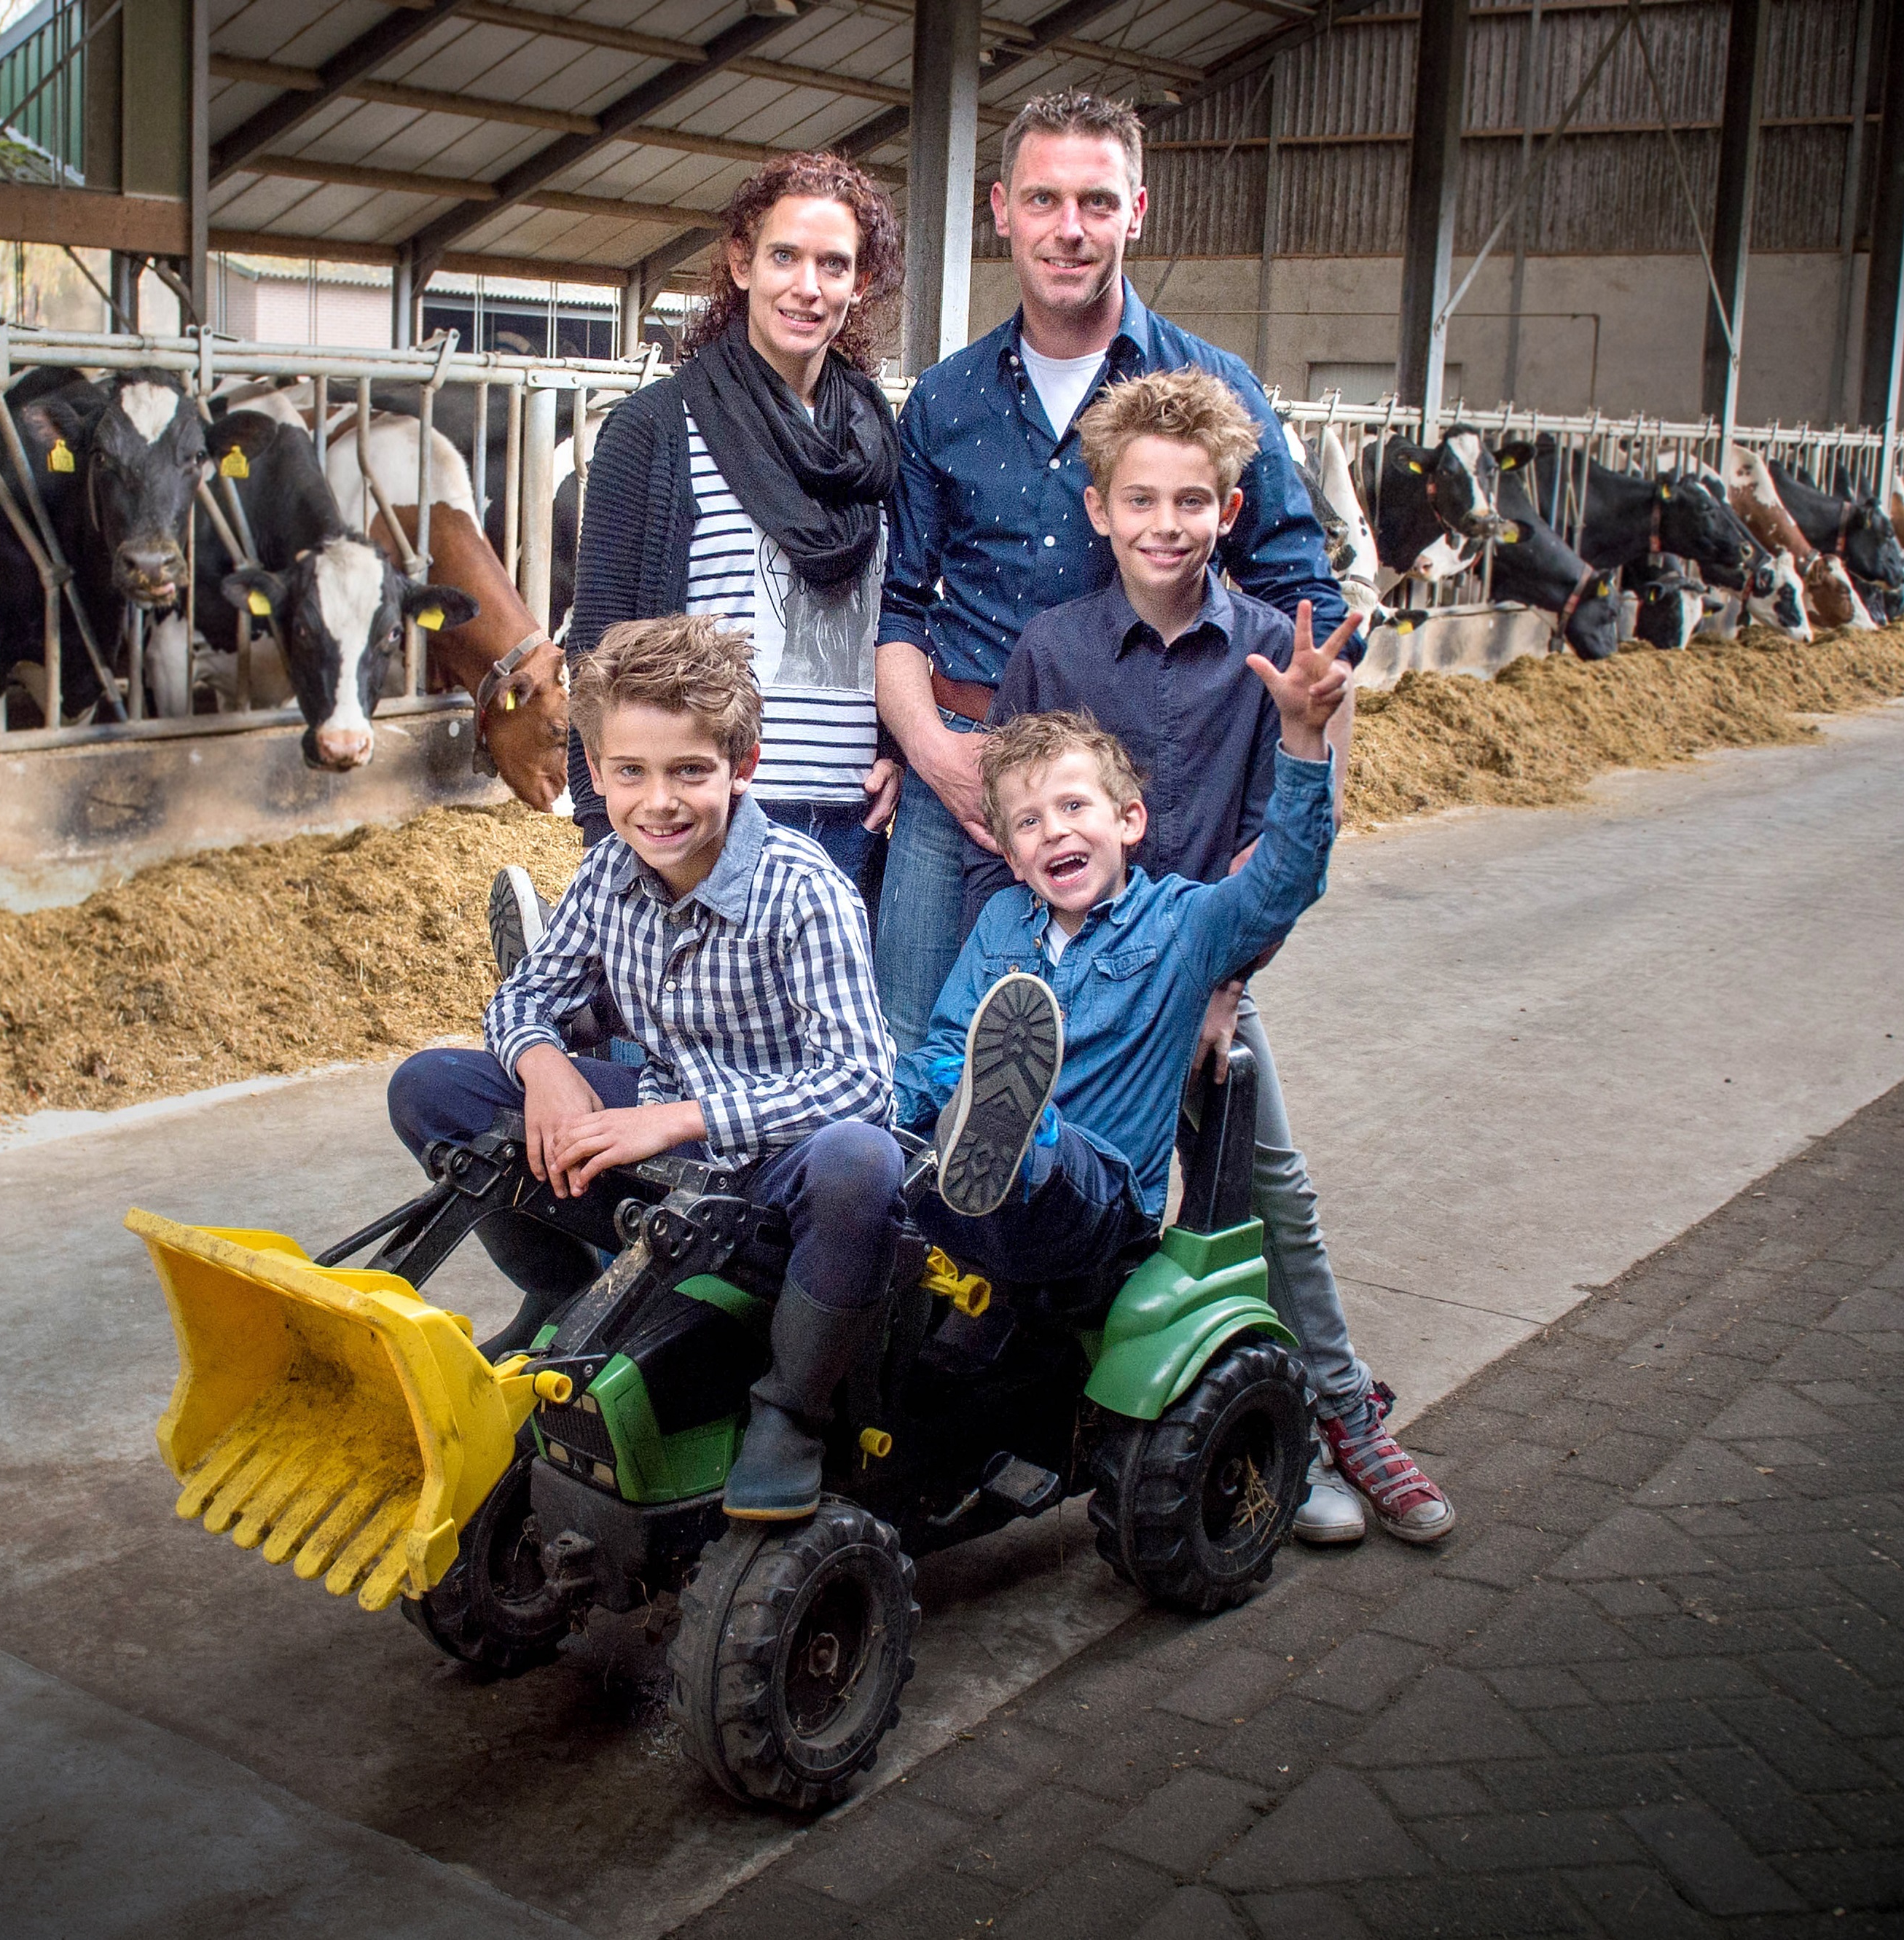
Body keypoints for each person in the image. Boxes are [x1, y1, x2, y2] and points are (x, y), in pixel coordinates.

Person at [987, 369, 1454, 1545]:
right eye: (1140, 499)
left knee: (1266, 1194)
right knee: (1061, 1189)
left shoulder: (1261, 654)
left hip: (1205, 977)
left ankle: (1336, 1416)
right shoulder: (1052, 648)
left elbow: (1279, 843)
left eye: (1193, 500)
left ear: (1229, 512)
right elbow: (1023, 817)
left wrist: (1219, 990)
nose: (1166, 523)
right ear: (1098, 510)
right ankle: (1141, 1422)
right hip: (1082, 988)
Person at [391, 614, 903, 1524]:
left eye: (689, 772)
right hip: (655, 1147)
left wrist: (679, 1119)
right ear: (594, 770)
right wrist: (546, 1062)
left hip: (771, 1169)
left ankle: (791, 1407)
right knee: (433, 1087)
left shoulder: (803, 889)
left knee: (864, 1161)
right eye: (629, 772)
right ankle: (560, 1290)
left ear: (741, 767)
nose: (657, 803)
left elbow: (861, 1079)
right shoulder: (606, 873)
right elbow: (521, 999)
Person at [875, 90, 1348, 1043]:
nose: (1069, 230)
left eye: (1097, 202)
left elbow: (1311, 617)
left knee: (1155, 1087)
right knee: (915, 1060)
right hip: (961, 779)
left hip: (1148, 787)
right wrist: (935, 755)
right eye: (1044, 201)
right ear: (1002, 209)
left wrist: (1266, 827)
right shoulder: (943, 397)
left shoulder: (1212, 390)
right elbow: (898, 606)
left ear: (1137, 211)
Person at [896, 626, 1346, 1307]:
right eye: (1028, 823)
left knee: (1043, 1156)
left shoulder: (1179, 925)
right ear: (1013, 860)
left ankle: (1016, 1128)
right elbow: (949, 1040)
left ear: (1130, 821)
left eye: (1074, 806)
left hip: (1101, 1208)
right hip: (976, 1210)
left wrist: (1304, 740)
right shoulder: (1001, 926)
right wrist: (886, 1110)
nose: (1054, 831)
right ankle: (959, 1131)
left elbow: (1283, 881)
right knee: (893, 1136)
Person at [560, 152, 906, 898]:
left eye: (834, 264)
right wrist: (603, 828)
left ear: (861, 282)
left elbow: (889, 617)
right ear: (742, 263)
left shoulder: (876, 440)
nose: (807, 287)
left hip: (853, 821)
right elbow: (597, 647)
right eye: (784, 256)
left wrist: (894, 748)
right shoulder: (655, 430)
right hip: (709, 816)